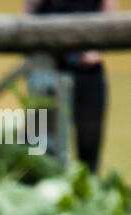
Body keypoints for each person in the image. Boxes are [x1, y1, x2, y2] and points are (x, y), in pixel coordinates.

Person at [27, 0, 117, 170]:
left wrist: (97, 50)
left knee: (89, 140)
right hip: (46, 63)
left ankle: (86, 184)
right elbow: (30, 10)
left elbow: (110, 9)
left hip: (86, 64)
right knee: (40, 143)